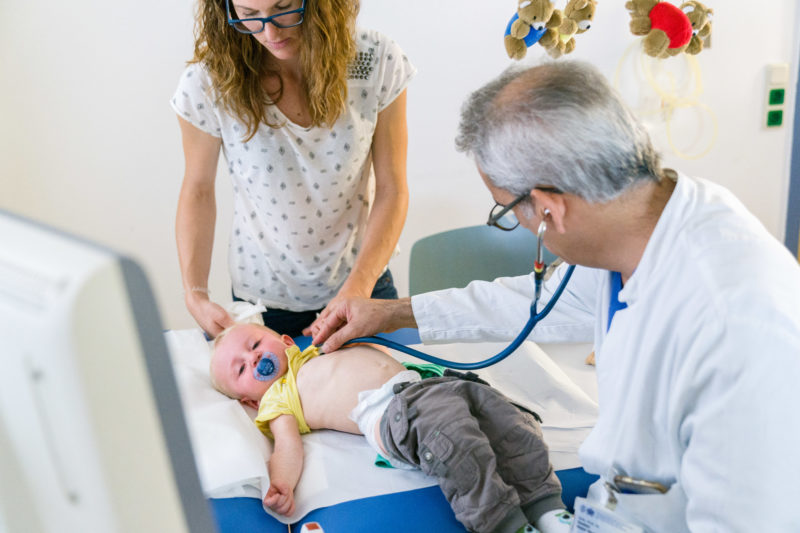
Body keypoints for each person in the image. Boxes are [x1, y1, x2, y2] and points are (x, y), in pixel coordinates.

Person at [308, 61, 800, 531]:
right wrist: (392, 313)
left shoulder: (735, 324)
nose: (514, 221)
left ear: (547, 211)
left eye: (507, 210)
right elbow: (530, 301)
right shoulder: (642, 228)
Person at [172, 0, 415, 338]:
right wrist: (194, 293)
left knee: (379, 388)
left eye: (283, 6)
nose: (270, 32)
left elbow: (393, 188)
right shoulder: (208, 83)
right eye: (249, 15)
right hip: (262, 300)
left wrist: (358, 287)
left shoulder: (376, 60)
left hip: (363, 283)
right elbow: (198, 189)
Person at [210, 322, 574, 533]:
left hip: (431, 386)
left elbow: (373, 347)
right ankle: (505, 524)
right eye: (241, 369)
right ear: (250, 403)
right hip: (396, 413)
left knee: (510, 423)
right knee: (460, 445)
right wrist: (281, 483)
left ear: (287, 342)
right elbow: (288, 446)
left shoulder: (320, 351)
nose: (253, 357)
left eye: (255, 344)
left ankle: (547, 507)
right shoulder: (277, 399)